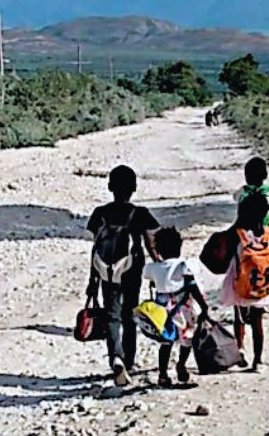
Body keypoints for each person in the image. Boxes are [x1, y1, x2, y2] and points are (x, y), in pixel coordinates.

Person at [86, 164, 161, 387]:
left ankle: (115, 357)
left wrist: (93, 279)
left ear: (110, 187)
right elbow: (151, 245)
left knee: (112, 315)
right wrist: (161, 267)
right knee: (130, 314)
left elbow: (96, 246)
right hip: (132, 270)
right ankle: (128, 361)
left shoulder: (100, 213)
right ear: (134, 188)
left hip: (105, 271)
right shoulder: (140, 213)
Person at [205, 191, 269, 372]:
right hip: (264, 282)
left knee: (239, 317)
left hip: (240, 280)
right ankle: (258, 359)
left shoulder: (237, 233)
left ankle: (240, 349)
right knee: (258, 320)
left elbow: (224, 255)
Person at [142, 227, 209, 388]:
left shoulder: (154, 268)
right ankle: (181, 364)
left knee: (166, 343)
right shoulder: (184, 265)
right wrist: (204, 307)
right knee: (187, 340)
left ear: (158, 250)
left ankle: (163, 375)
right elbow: (192, 287)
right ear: (179, 247)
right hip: (183, 310)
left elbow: (150, 279)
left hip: (162, 312)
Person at [233, 157, 269, 244]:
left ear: (246, 177)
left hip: (244, 227)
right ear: (265, 175)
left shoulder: (243, 191)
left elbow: (235, 198)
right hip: (266, 227)